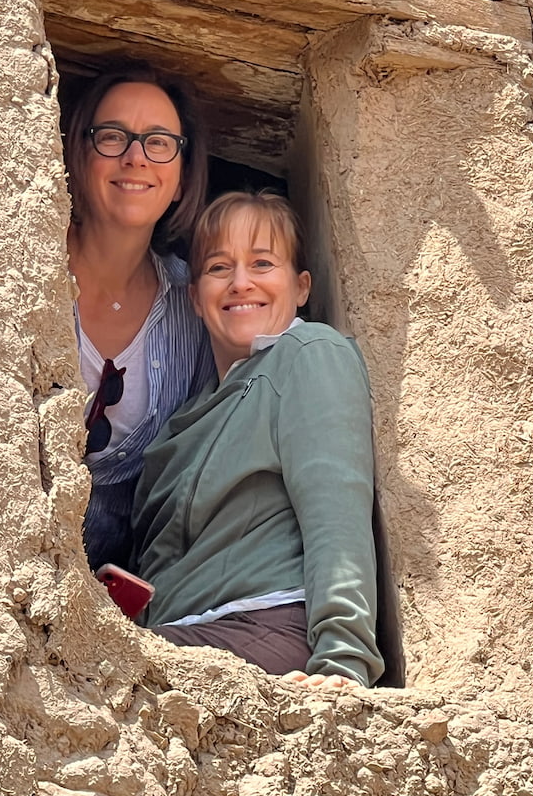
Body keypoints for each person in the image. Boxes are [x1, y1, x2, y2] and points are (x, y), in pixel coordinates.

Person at [129, 191, 385, 690]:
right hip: (183, 634)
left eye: (263, 263)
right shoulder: (183, 420)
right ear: (195, 297)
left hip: (268, 626)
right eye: (219, 267)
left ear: (301, 286)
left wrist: (343, 660)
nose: (241, 282)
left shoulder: (308, 354)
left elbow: (337, 512)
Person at [64, 64, 215, 572]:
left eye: (159, 142)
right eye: (112, 137)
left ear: (179, 178)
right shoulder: (25, 271)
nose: (135, 157)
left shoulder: (193, 306)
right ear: (78, 155)